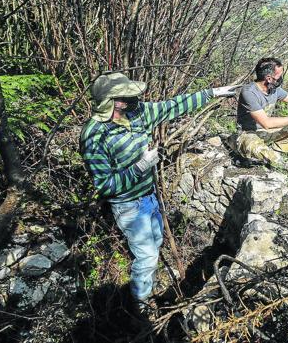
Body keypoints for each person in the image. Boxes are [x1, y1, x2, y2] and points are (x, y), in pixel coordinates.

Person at [79, 72, 236, 311]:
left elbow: (172, 106)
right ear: (114, 101)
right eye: (128, 97)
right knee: (148, 257)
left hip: (149, 197)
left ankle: (148, 283)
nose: (136, 100)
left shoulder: (137, 114)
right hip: (128, 205)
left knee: (157, 240)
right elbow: (104, 186)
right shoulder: (94, 136)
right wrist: (140, 167)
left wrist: (210, 93)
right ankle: (139, 307)